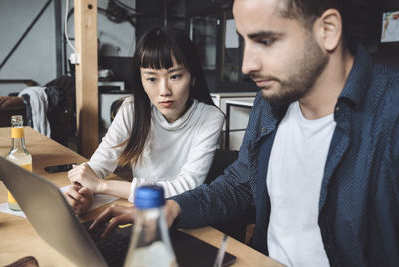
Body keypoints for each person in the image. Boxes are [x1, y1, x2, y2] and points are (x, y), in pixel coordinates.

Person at [90, 0, 399, 266]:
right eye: (244, 40)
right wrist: (173, 208)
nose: (246, 66)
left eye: (265, 41)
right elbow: (241, 186)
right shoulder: (271, 103)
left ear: (327, 30)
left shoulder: (390, 113)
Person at [64, 26, 225, 215]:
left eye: (175, 76)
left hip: (183, 217)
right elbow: (100, 163)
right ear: (141, 79)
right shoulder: (132, 110)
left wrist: (101, 185)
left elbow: (186, 188)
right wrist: (84, 192)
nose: (164, 90)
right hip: (140, 211)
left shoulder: (210, 118)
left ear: (192, 77)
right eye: (152, 79)